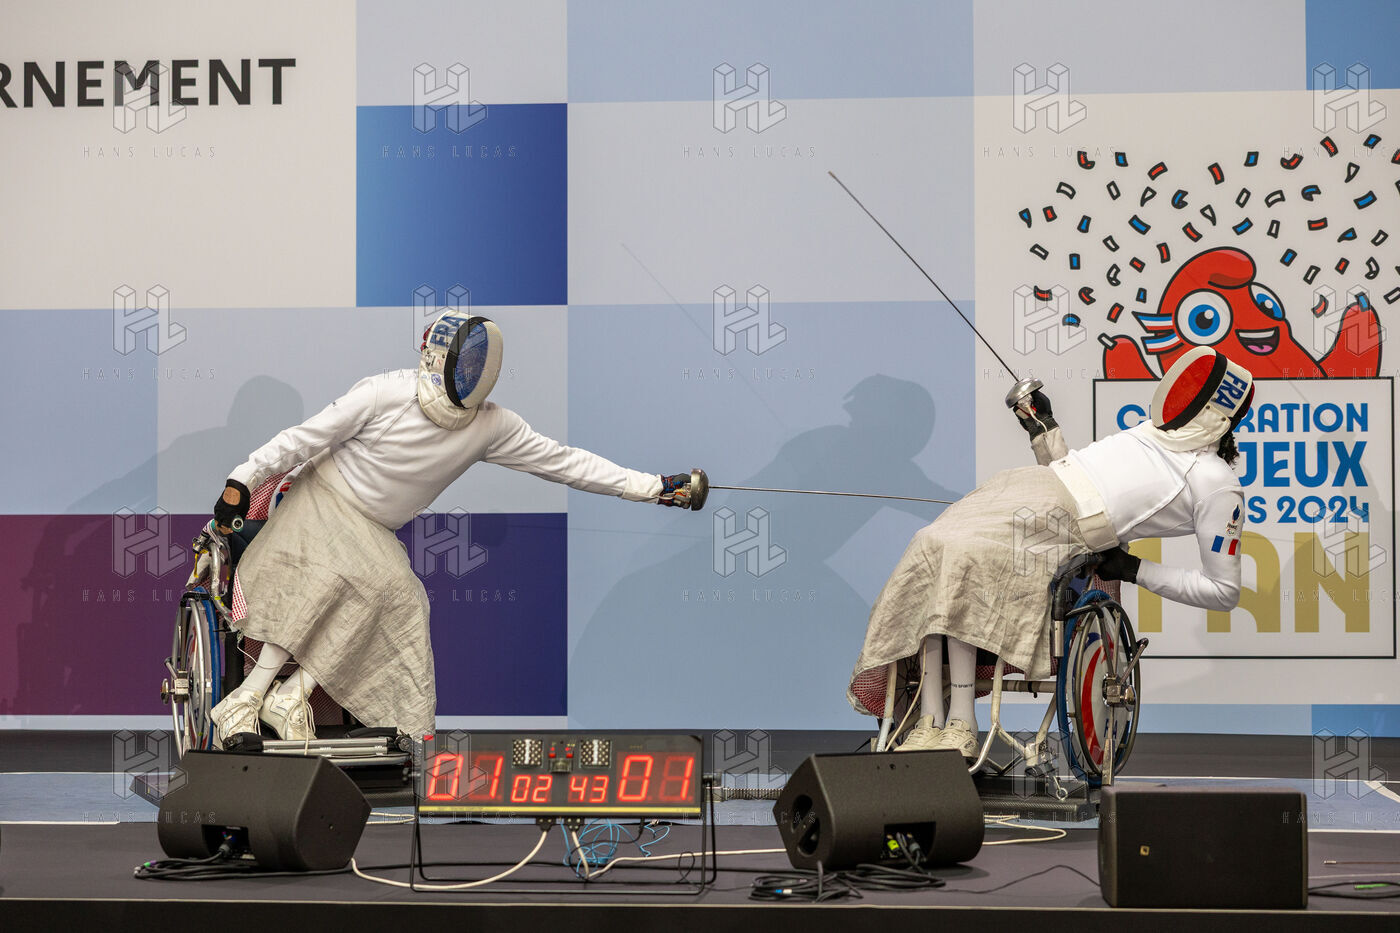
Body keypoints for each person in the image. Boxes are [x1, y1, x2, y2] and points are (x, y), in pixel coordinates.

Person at [208, 311, 705, 743]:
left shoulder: (492, 425)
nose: (471, 375)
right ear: (436, 359)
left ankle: (289, 696)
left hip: (372, 529)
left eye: (478, 367)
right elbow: (303, 438)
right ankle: (244, 701)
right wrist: (241, 480)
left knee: (401, 599)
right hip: (321, 499)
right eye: (465, 364)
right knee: (331, 577)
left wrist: (655, 488)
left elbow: (566, 463)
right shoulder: (384, 393)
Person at [848, 346, 1254, 756]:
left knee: (959, 558)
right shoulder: (1147, 432)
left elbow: (1223, 591)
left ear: (1214, 414)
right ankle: (928, 718)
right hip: (1021, 487)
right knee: (930, 544)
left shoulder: (1217, 483)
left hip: (1060, 526)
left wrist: (1132, 568)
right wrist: (1043, 428)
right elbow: (1071, 475)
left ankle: (961, 722)